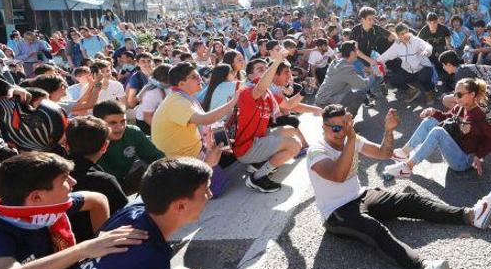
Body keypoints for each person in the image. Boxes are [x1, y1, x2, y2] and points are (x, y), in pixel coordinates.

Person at [307, 104, 491, 269]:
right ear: (323, 128)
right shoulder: (317, 151)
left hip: (360, 196)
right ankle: (426, 268)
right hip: (336, 211)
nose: (341, 132)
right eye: (335, 128)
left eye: (346, 125)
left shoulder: (352, 139)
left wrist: (389, 130)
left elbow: (383, 153)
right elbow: (338, 176)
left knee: (409, 200)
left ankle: (471, 216)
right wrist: (350, 138)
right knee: (376, 231)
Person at [44, 157, 212, 269]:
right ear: (180, 205)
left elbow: (178, 179)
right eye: (205, 191)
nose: (209, 194)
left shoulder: (133, 211)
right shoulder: (149, 260)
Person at [0, 152, 142, 269]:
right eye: (65, 179)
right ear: (36, 197)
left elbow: (96, 200)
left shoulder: (43, 206)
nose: (74, 182)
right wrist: (84, 249)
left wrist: (101, 246)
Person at [386, 78, 491, 177]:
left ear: (472, 95)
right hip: (454, 151)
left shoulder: (478, 115)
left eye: (460, 95)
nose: (456, 97)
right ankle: (404, 152)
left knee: (438, 132)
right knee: (430, 121)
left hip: (462, 161)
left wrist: (478, 155)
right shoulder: (461, 107)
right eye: (455, 94)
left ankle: (407, 167)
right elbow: (447, 117)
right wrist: (434, 112)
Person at [233, 57, 303, 193]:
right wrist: (277, 61)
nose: (267, 73)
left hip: (256, 140)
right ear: (250, 76)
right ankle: (257, 178)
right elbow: (259, 87)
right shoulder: (249, 91)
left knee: (290, 129)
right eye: (261, 70)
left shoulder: (268, 93)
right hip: (246, 149)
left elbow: (289, 105)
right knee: (294, 145)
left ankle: (259, 163)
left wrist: (305, 93)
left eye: (267, 69)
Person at [151, 62, 239, 159]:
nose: (200, 78)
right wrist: (233, 102)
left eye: (198, 75)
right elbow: (205, 120)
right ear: (181, 83)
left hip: (196, 154)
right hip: (182, 164)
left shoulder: (184, 96)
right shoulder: (176, 102)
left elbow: (203, 125)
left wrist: (217, 139)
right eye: (194, 77)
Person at [64, 116, 129, 242]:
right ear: (104, 146)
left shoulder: (50, 176)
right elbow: (127, 217)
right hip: (94, 251)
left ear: (66, 145)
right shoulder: (105, 181)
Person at [93, 100, 164, 195]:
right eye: (113, 123)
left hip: (124, 179)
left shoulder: (133, 133)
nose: (120, 127)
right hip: (98, 187)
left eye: (123, 121)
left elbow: (156, 157)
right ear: (99, 123)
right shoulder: (90, 138)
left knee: (161, 171)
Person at [377, 23, 435, 104]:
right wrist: (375, 63)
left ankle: (428, 92)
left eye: (406, 32)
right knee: (394, 80)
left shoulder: (416, 41)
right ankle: (412, 90)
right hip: (409, 71)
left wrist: (426, 51)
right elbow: (385, 56)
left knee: (424, 77)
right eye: (402, 34)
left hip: (423, 68)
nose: (405, 35)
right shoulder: (396, 45)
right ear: (398, 36)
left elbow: (428, 46)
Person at [314, 41, 370, 116]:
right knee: (361, 94)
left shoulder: (336, 62)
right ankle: (346, 120)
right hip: (326, 103)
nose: (358, 53)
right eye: (356, 51)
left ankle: (338, 117)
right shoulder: (345, 68)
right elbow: (362, 85)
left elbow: (350, 77)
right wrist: (373, 75)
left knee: (351, 91)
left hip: (321, 99)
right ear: (352, 53)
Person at [134, 64, 171, 135]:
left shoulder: (168, 86)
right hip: (147, 123)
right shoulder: (152, 92)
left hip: (160, 117)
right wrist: (163, 130)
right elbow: (147, 117)